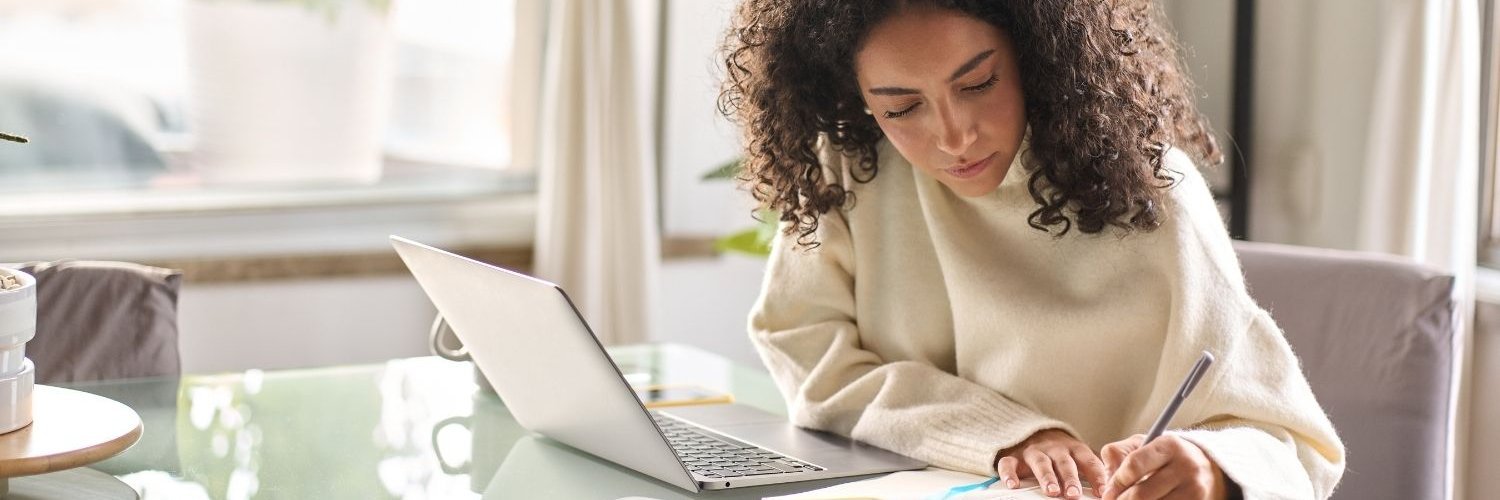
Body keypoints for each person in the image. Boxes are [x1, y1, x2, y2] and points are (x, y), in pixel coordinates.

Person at [718, 1, 1345, 499]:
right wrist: (1009, 435)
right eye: (901, 107)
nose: (954, 136)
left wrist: (1210, 473)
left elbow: (1289, 445)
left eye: (980, 82)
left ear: (1038, 53)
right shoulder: (854, 171)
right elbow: (806, 355)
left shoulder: (1152, 189)